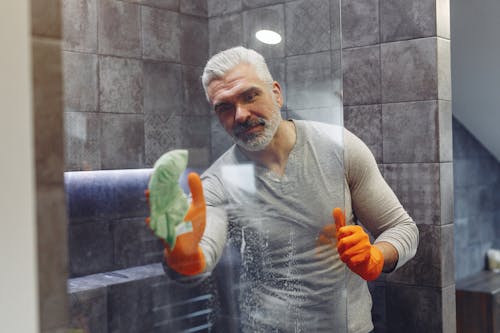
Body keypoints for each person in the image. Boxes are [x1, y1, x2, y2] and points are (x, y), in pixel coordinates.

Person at [154, 46, 419, 333]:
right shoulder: (219, 181)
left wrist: (376, 257)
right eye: (225, 107)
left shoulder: (339, 148)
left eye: (249, 95)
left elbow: (402, 228)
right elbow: (201, 257)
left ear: (277, 93)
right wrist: (183, 258)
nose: (240, 114)